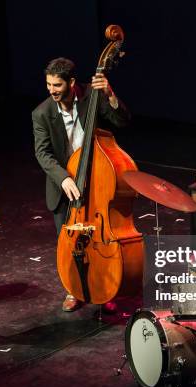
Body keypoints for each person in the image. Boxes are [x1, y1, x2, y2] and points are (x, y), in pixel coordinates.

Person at [32, 57, 130, 312]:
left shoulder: (92, 96)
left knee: (100, 237)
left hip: (96, 175)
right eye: (49, 85)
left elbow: (122, 121)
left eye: (57, 85)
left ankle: (103, 285)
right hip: (64, 184)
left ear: (72, 82)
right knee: (70, 242)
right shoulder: (41, 113)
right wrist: (64, 177)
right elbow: (43, 154)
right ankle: (72, 289)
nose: (52, 90)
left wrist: (110, 95)